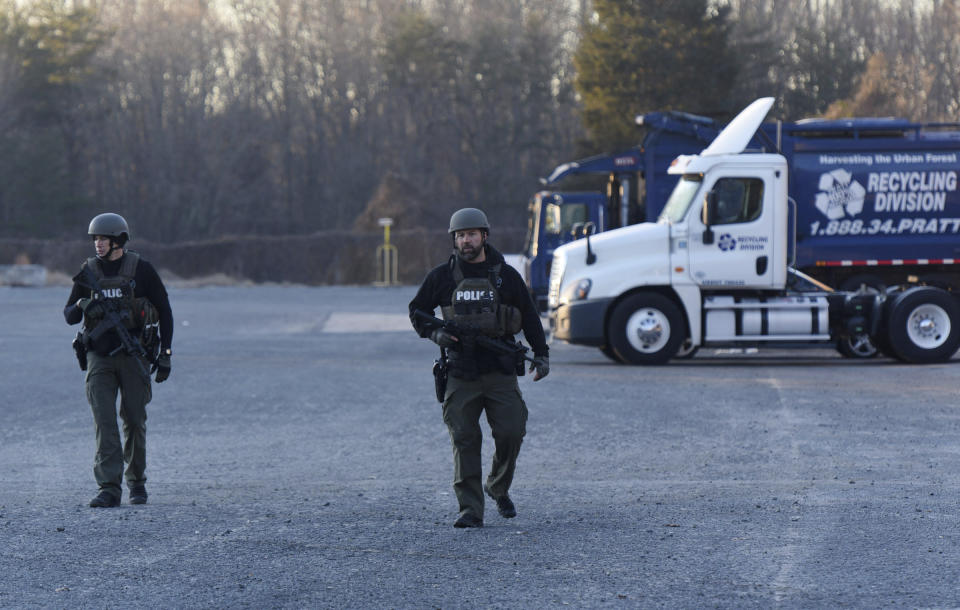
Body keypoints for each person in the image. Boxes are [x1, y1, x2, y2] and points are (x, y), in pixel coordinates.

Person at [409, 207, 549, 528]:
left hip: (499, 370)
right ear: (454, 240)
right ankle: (470, 508)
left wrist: (542, 355)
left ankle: (497, 487)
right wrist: (437, 333)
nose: (465, 240)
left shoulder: (505, 276)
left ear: (484, 236)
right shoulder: (441, 277)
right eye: (460, 235)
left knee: (512, 431)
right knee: (464, 438)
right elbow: (417, 310)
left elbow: (529, 317)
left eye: (471, 234)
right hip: (461, 371)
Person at [64, 213, 173, 507]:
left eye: (103, 239)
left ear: (118, 241)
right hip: (98, 357)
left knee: (135, 420)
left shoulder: (142, 270)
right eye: (95, 239)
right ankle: (109, 488)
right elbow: (69, 316)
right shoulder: (88, 270)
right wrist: (84, 303)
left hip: (133, 355)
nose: (97, 244)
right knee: (105, 421)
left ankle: (137, 482)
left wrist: (166, 354)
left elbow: (165, 311)